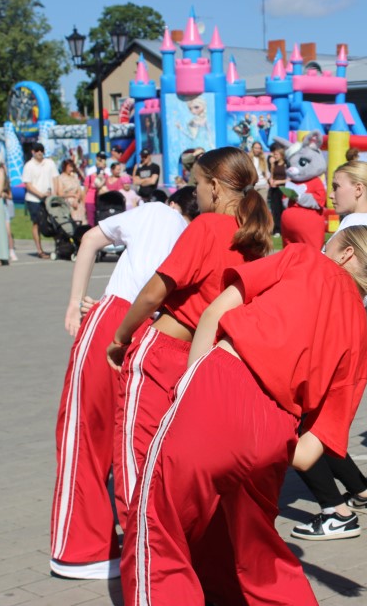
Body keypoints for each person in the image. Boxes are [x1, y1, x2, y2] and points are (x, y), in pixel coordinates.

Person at [120, 225, 367, 605]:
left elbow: (215, 310)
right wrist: (260, 443)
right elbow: (310, 453)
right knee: (258, 556)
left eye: (330, 242)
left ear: (346, 253)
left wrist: (191, 384)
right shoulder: (358, 334)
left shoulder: (304, 257)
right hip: (275, 428)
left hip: (220, 387)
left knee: (157, 529)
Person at [106, 147, 274, 527]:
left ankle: (141, 544)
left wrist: (121, 336)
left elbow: (155, 291)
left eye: (196, 183)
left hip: (163, 355)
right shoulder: (254, 240)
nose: (194, 192)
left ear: (214, 186)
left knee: (137, 459)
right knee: (177, 465)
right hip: (207, 363)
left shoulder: (206, 226)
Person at [49, 187, 196, 581]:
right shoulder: (198, 235)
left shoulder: (156, 212)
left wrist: (75, 301)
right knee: (131, 441)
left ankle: (79, 549)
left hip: (115, 316)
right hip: (157, 330)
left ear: (175, 203)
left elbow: (89, 239)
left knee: (84, 433)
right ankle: (144, 543)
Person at [291, 161, 367, 541]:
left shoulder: (354, 228)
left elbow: (322, 280)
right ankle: (362, 493)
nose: (331, 192)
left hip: (327, 334)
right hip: (342, 332)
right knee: (320, 423)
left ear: (358, 188)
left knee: (302, 423)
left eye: (336, 185)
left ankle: (335, 511)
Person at [22, 143, 58, 259]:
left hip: (49, 198)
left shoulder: (49, 163)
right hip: (34, 199)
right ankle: (39, 250)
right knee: (37, 223)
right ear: (33, 152)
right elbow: (28, 184)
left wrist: (54, 194)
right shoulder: (29, 166)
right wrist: (40, 194)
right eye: (37, 150)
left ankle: (58, 247)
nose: (39, 152)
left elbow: (55, 178)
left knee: (54, 222)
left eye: (41, 150)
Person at [54, 159, 85, 224]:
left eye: (72, 167)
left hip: (77, 201)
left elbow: (79, 190)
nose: (71, 169)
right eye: (69, 167)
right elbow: (60, 193)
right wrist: (72, 195)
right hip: (67, 203)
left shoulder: (75, 176)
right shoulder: (61, 178)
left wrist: (76, 199)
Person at [83, 152, 109, 227]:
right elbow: (85, 191)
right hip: (90, 200)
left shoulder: (107, 173)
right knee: (91, 221)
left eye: (103, 159)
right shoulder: (90, 173)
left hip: (102, 200)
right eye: (100, 159)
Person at [267, 141, 287, 235]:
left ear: (281, 155)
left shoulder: (286, 164)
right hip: (274, 189)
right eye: (274, 154)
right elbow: (271, 175)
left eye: (276, 154)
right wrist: (271, 180)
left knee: (283, 209)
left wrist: (279, 182)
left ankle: (284, 228)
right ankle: (277, 229)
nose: (274, 156)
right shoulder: (274, 164)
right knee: (275, 209)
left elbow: (289, 179)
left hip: (283, 189)